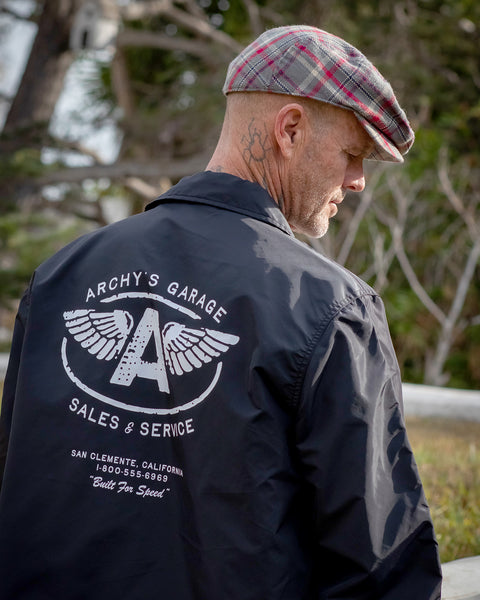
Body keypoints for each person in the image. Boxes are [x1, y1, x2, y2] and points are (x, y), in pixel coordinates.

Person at [0, 25, 441, 599]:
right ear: (290, 129)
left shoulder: (61, 274)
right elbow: (381, 570)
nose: (357, 181)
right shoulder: (332, 311)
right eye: (353, 153)